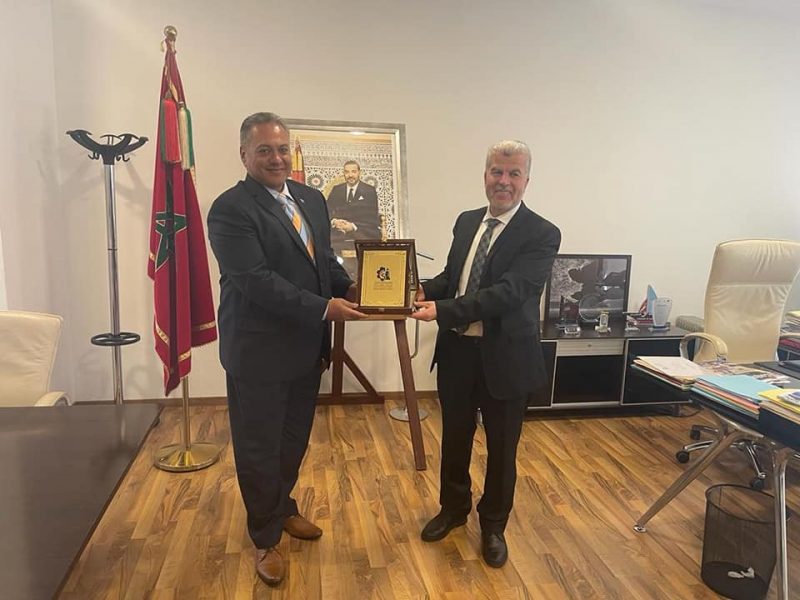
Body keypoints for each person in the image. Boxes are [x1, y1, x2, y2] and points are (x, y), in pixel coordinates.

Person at [207, 112, 366, 586]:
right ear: (244, 155)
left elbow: (322, 262)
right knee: (259, 447)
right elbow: (256, 281)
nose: (276, 158)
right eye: (264, 150)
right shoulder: (230, 209)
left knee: (292, 441)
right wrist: (325, 308)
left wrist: (352, 288)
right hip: (258, 353)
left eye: (281, 149)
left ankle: (282, 507)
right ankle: (264, 538)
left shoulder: (311, 198)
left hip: (305, 349)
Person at [410, 140, 561, 568]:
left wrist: (442, 310)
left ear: (527, 180)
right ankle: (453, 509)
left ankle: (493, 525)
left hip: (506, 359)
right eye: (497, 172)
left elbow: (509, 293)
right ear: (485, 175)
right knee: (455, 439)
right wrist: (420, 289)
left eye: (514, 174)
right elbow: (455, 277)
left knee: (502, 449)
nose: (504, 181)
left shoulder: (542, 233)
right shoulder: (466, 221)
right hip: (458, 353)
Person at [326, 160, 381, 276]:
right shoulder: (337, 190)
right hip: (339, 234)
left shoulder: (369, 191)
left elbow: (372, 217)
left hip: (362, 231)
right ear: (344, 173)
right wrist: (335, 221)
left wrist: (353, 226)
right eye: (347, 172)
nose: (350, 175)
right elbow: (327, 210)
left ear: (359, 172)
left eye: (353, 171)